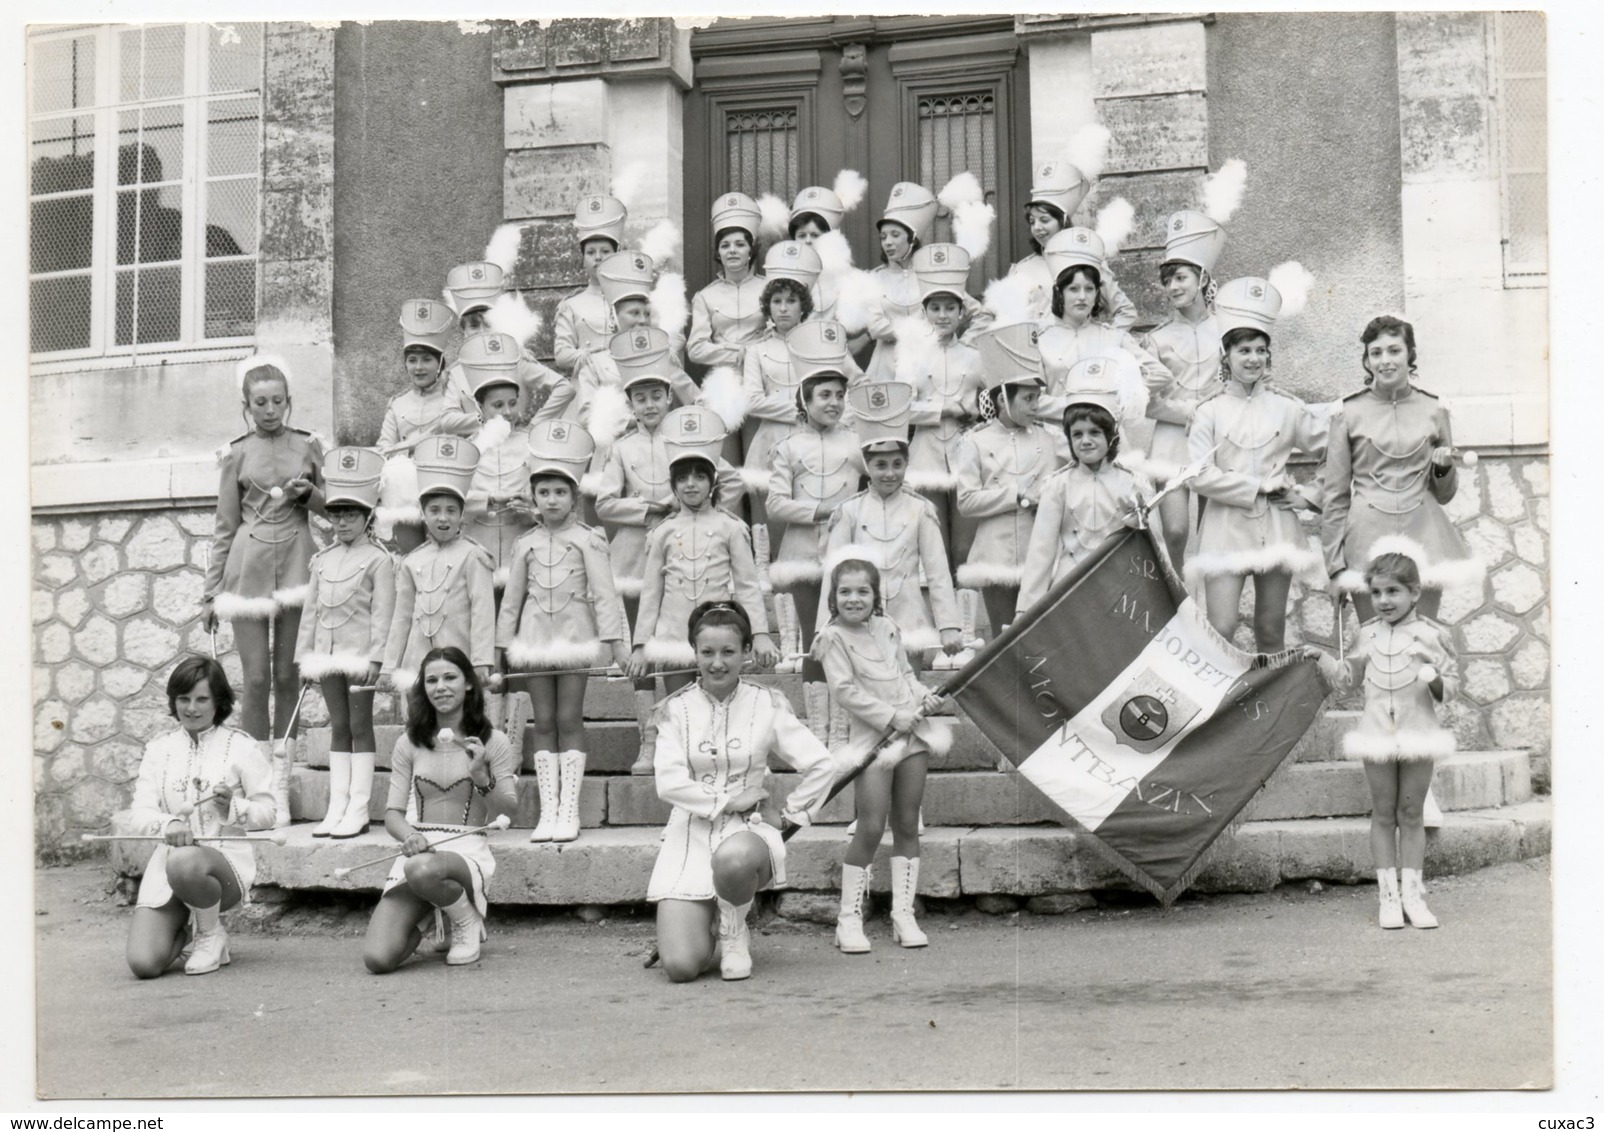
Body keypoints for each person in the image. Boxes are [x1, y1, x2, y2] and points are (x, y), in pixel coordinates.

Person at [648, 600, 836, 982]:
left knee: (733, 860)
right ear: (695, 653)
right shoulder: (675, 710)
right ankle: (710, 917)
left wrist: (789, 816)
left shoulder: (766, 704)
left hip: (747, 833)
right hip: (690, 835)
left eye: (729, 651)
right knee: (682, 968)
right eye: (707, 652)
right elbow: (667, 782)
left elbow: (822, 764)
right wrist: (724, 801)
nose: (717, 662)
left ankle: (734, 931)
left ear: (747, 652)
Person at [590, 344, 745, 775]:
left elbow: (729, 479)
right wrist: (649, 508)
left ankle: (702, 737)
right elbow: (604, 502)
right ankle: (649, 739)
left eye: (656, 395)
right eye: (640, 398)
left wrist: (713, 514)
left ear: (668, 396)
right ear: (631, 404)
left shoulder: (689, 436)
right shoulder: (621, 449)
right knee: (646, 653)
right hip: (635, 556)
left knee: (691, 644)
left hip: (691, 552)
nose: (650, 404)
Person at [203, 354, 325, 829]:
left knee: (288, 678)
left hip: (298, 562)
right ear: (246, 405)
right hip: (247, 568)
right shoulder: (235, 453)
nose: (270, 409)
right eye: (260, 402)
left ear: (288, 401)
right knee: (254, 680)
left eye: (277, 401)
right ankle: (257, 792)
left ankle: (281, 787)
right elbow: (224, 526)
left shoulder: (309, 445)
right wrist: (211, 593)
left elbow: (334, 507)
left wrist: (306, 495)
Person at [1306, 553, 1457, 929]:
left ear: (1415, 592)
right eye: (1376, 593)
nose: (1384, 600)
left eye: (1393, 591)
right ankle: (1388, 898)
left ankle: (1413, 896)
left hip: (1419, 734)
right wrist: (1322, 658)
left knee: (1411, 815)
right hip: (1375, 734)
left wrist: (1434, 677)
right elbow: (1348, 679)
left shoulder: (1433, 635)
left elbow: (1451, 688)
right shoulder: (1366, 633)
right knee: (1383, 814)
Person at [498, 421, 630, 842]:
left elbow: (606, 596)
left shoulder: (589, 540)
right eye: (544, 492)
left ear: (574, 497)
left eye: (560, 492)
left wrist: (617, 644)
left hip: (575, 640)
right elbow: (512, 601)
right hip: (534, 643)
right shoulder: (525, 544)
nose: (551, 499)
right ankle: (547, 812)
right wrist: (499, 649)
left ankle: (568, 811)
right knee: (545, 720)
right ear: (533, 497)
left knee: (570, 717)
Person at [1188, 276, 1327, 652]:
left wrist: (1310, 495)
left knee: (1270, 629)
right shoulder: (1209, 412)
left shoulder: (1287, 407)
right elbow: (1197, 475)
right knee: (1221, 627)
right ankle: (1218, 710)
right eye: (1244, 350)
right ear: (1227, 357)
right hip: (1225, 529)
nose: (1253, 359)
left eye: (1261, 351)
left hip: (1277, 528)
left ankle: (1269, 711)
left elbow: (1335, 449)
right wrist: (1257, 487)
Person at [815, 559, 948, 953]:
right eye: (844, 592)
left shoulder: (888, 627)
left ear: (876, 596)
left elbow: (904, 675)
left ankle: (902, 914)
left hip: (912, 736)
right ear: (833, 597)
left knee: (907, 823)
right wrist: (892, 717)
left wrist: (925, 697)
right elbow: (844, 691)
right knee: (871, 826)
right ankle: (849, 919)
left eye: (862, 591)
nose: (853, 599)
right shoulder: (831, 638)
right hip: (871, 741)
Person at [362, 648, 520, 971]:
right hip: (421, 851)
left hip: (466, 851)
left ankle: (465, 920)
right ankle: (436, 916)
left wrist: (481, 777)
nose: (441, 687)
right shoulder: (409, 743)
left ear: (469, 685)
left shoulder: (494, 741)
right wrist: (410, 836)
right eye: (432, 680)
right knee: (378, 958)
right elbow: (392, 814)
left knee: (420, 870)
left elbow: (508, 813)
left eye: (450, 677)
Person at [1322, 315, 1483, 623]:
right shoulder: (1347, 411)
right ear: (1367, 361)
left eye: (1394, 350)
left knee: (1421, 642)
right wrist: (1335, 568)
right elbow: (1336, 495)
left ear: (1410, 354)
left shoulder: (1435, 408)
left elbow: (1445, 494)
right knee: (1373, 644)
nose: (1385, 361)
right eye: (1376, 353)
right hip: (1365, 537)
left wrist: (1443, 469)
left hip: (1423, 534)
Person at [125, 657, 274, 978]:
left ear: (218, 701)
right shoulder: (159, 749)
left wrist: (231, 809)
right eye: (184, 699)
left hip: (222, 870)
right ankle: (189, 930)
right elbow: (140, 813)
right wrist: (170, 824)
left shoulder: (242, 747)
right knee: (144, 963)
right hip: (169, 870)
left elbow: (268, 813)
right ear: (173, 701)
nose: (191, 708)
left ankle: (211, 933)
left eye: (202, 699)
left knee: (184, 861)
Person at [629, 407, 778, 695]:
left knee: (720, 707)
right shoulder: (663, 531)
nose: (690, 484)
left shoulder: (731, 527)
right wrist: (640, 644)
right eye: (683, 478)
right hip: (674, 637)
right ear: (673, 484)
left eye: (699, 477)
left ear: (712, 482)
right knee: (679, 708)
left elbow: (747, 586)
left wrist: (759, 633)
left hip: (718, 636)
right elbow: (651, 593)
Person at [821, 381, 963, 671]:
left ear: (907, 463)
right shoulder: (848, 511)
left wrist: (949, 625)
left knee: (909, 697)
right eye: (880, 465)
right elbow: (832, 575)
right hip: (857, 621)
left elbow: (937, 573)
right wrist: (823, 627)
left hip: (909, 621)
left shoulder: (921, 509)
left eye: (897, 464)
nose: (889, 473)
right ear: (867, 466)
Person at [295, 447, 395, 839]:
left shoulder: (379, 560)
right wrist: (306, 659)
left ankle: (358, 806)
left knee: (359, 724)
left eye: (351, 514)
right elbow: (310, 612)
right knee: (338, 726)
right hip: (327, 657)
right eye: (336, 514)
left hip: (359, 659)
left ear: (368, 516)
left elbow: (383, 615)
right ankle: (336, 806)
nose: (341, 522)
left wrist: (377, 659)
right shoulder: (322, 560)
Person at [954, 324, 1071, 640]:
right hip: (996, 556)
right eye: (1029, 399)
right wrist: (1015, 495)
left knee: (1042, 636)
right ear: (1004, 399)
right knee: (1004, 639)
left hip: (1040, 552)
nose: (1036, 406)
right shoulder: (974, 443)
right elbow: (965, 502)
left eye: (1037, 398)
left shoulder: (1050, 440)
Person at [765, 320, 866, 680]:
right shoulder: (788, 448)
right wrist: (819, 510)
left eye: (840, 395)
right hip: (802, 554)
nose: (834, 403)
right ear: (805, 401)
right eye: (824, 395)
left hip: (848, 551)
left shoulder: (857, 443)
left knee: (852, 639)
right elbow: (774, 505)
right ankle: (818, 723)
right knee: (817, 638)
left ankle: (847, 724)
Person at [1016, 372, 1152, 615]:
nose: (1085, 441)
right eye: (1077, 434)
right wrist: (1024, 612)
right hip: (1071, 586)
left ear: (1111, 437)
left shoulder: (1134, 482)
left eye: (1095, 433)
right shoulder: (1058, 485)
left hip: (1122, 587)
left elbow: (1155, 547)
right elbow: (1041, 552)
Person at [1141, 211, 1226, 570]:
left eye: (1181, 278)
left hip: (1218, 439)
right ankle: (1179, 594)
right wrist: (1188, 411)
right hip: (1171, 441)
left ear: (1201, 277)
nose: (1173, 287)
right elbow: (1147, 402)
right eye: (1168, 281)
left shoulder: (1227, 328)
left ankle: (1208, 611)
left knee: (1213, 532)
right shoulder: (1156, 339)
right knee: (1175, 530)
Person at [380, 437, 496, 700]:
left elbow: (482, 612)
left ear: (462, 513)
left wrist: (481, 661)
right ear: (422, 513)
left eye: (451, 510)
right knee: (421, 726)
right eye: (434, 510)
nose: (443, 517)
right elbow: (402, 617)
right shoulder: (412, 561)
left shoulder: (474, 555)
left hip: (460, 658)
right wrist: (389, 667)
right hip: (417, 662)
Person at [376, 299, 482, 553]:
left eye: (426, 360)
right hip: (405, 493)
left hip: (446, 485)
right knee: (411, 557)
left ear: (440, 362)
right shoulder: (397, 404)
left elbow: (477, 428)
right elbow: (384, 449)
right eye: (412, 360)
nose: (419, 367)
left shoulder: (454, 395)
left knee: (449, 554)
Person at [904, 243, 986, 568]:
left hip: (966, 454)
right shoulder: (910, 356)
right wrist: (944, 411)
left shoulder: (975, 355)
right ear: (924, 312)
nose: (942, 315)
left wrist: (978, 415)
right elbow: (901, 409)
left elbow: (991, 401)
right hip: (925, 455)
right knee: (932, 541)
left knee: (965, 544)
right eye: (935, 308)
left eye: (949, 308)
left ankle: (967, 617)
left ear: (961, 312)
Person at [1034, 228, 1168, 426]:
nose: (1082, 297)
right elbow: (1034, 400)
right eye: (1073, 289)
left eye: (1089, 289)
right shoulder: (1041, 341)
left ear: (1097, 293)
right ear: (1059, 292)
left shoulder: (1112, 337)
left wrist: (1115, 397)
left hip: (1107, 437)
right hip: (1057, 438)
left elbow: (1160, 375)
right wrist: (1083, 405)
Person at [1008, 157, 1137, 328]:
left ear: (1062, 221)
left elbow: (1126, 312)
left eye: (1045, 220)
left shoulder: (1088, 261)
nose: (1037, 227)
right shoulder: (1022, 270)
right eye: (1032, 221)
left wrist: (1104, 341)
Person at [442, 259, 572, 426]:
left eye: (488, 324)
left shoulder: (516, 361)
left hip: (517, 448)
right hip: (476, 447)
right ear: (463, 331)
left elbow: (564, 388)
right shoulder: (458, 372)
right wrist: (486, 420)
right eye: (474, 326)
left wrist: (535, 425)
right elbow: (447, 421)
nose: (482, 332)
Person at [573, 253, 698, 426]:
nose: (642, 320)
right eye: (634, 313)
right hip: (614, 449)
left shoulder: (663, 357)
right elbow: (586, 415)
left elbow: (695, 400)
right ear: (613, 317)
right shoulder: (595, 364)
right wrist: (633, 422)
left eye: (646, 314)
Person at [457, 332, 538, 589]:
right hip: (478, 550)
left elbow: (549, 496)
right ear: (480, 407)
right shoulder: (466, 449)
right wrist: (488, 501)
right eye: (498, 405)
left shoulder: (534, 445)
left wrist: (532, 509)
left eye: (513, 403)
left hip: (523, 550)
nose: (508, 412)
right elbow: (454, 501)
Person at [864, 181, 938, 380]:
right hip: (885, 367)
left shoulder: (932, 275)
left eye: (895, 235)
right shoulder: (874, 279)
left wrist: (963, 345)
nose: (887, 242)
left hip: (929, 363)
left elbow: (967, 310)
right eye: (883, 236)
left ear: (912, 239)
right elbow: (876, 327)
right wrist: (923, 327)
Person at [688, 192, 768, 373]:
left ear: (751, 251)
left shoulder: (768, 288)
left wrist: (752, 354)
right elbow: (695, 349)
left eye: (740, 244)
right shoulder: (706, 296)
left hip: (762, 373)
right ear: (718, 253)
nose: (732, 250)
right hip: (721, 379)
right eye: (725, 246)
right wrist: (735, 354)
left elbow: (777, 335)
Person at [553, 194, 628, 377]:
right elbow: (561, 354)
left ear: (617, 254)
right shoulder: (571, 305)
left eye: (605, 251)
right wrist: (591, 357)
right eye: (591, 252)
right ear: (583, 260)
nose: (598, 257)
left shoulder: (630, 300)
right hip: (587, 384)